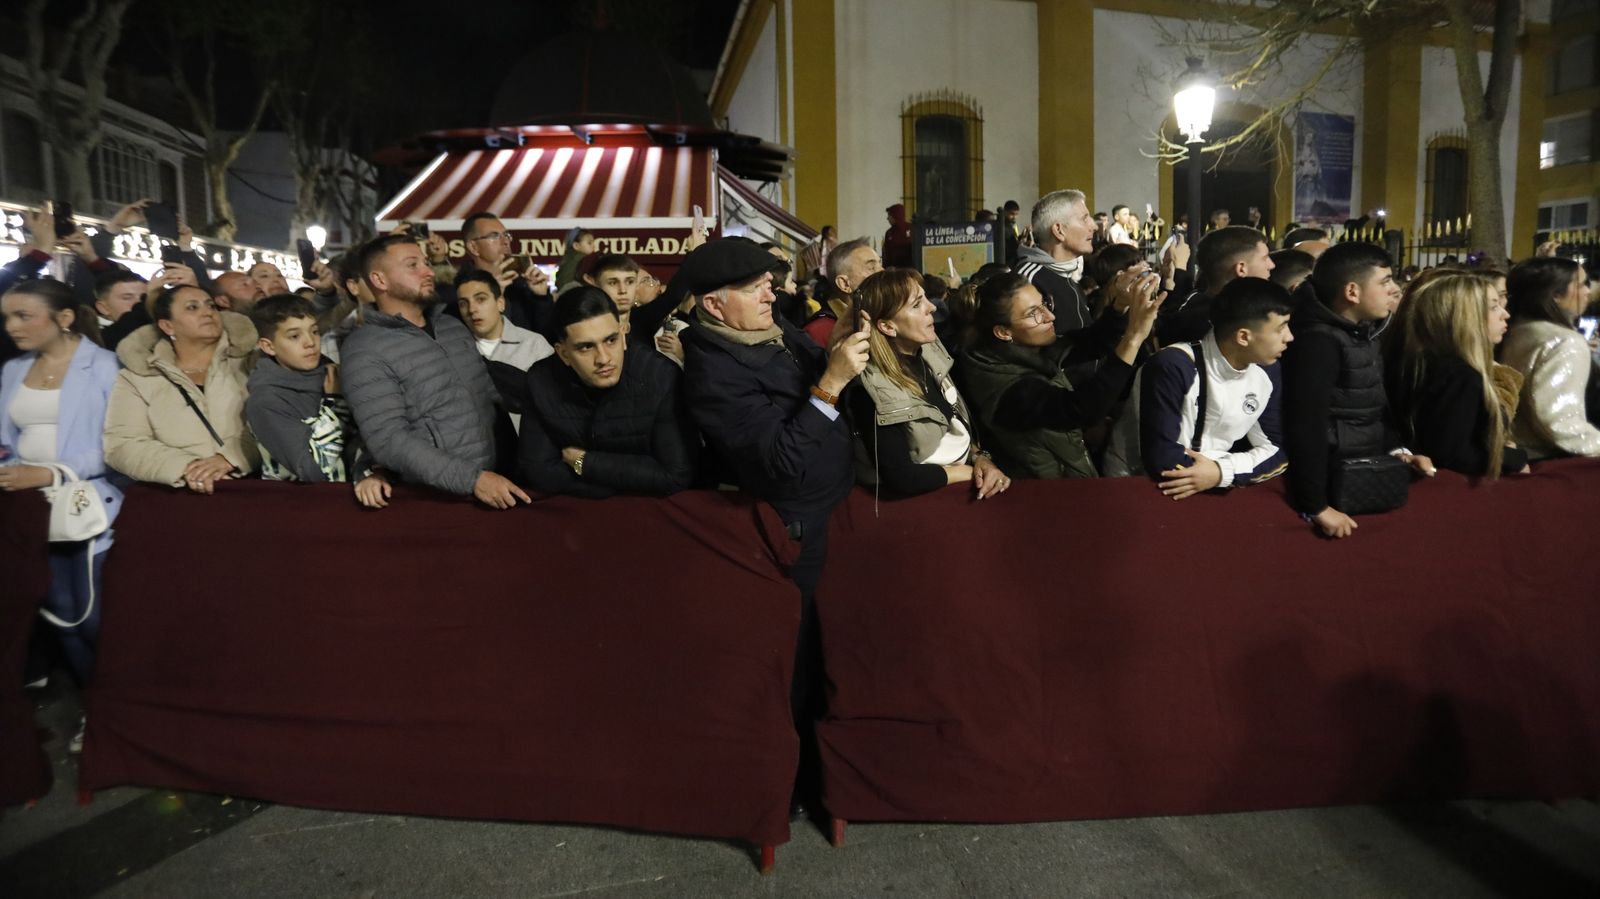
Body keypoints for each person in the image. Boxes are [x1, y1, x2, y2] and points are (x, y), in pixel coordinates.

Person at [677, 238, 871, 815]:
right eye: (757, 286)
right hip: (800, 525)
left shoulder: (768, 328)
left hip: (838, 502)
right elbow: (780, 462)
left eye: (771, 282)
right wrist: (832, 382)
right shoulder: (713, 373)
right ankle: (794, 787)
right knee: (802, 659)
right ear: (715, 305)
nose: (773, 292)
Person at [0, 279, 123, 698]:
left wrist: (53, 472)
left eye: (24, 316)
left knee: (93, 619)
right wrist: (11, 469)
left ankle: (116, 711)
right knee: (58, 615)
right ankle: (94, 709)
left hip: (91, 507)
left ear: (64, 318)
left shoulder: (104, 365)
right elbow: (6, 440)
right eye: (7, 318)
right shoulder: (13, 370)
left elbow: (117, 444)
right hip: (29, 508)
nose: (13, 327)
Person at [340, 235, 526, 508]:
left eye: (426, 263)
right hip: (441, 499)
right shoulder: (363, 349)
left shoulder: (451, 327)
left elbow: (491, 398)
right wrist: (472, 479)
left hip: (498, 482)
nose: (428, 271)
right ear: (380, 280)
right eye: (412, 265)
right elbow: (389, 439)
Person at [1280, 243, 1435, 539]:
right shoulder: (1319, 341)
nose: (1394, 289)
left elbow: (1369, 404)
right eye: (1385, 281)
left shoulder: (1359, 331)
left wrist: (1397, 451)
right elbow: (1307, 424)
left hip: (1362, 469)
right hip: (1338, 481)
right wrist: (1316, 505)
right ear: (1352, 292)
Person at [957, 270, 1164, 479]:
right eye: (1033, 313)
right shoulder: (1006, 388)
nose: (1050, 316)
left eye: (1044, 304)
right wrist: (1134, 338)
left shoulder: (1020, 350)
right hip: (1042, 496)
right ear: (1003, 332)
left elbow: (1089, 342)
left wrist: (1120, 304)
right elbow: (1084, 409)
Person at [1104, 277, 1292, 493]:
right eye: (1281, 329)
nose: (1290, 337)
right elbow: (1163, 461)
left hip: (1209, 483)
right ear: (1243, 337)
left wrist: (1221, 471)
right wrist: (1224, 471)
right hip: (1138, 483)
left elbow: (1277, 450)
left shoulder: (1266, 370)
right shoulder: (1173, 366)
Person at [517, 287, 697, 498]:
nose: (603, 358)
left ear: (623, 333)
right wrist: (617, 486)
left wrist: (584, 462)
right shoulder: (541, 380)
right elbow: (538, 470)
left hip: (648, 512)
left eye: (611, 340)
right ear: (563, 354)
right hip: (577, 511)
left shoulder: (660, 375)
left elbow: (675, 475)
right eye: (585, 347)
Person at [846, 269, 1009, 498]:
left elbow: (956, 422)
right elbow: (900, 477)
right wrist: (965, 472)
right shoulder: (871, 389)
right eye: (916, 304)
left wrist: (980, 458)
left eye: (924, 298)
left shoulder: (930, 354)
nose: (931, 307)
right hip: (921, 503)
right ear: (887, 326)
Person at [104, 286, 259, 491]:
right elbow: (123, 444)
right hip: (183, 496)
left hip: (256, 487)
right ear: (168, 326)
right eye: (192, 307)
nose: (207, 312)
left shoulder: (252, 360)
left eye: (210, 305)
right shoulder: (138, 376)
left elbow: (280, 416)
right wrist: (189, 468)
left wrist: (231, 457)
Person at [244, 294, 393, 507]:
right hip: (303, 512)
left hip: (359, 503)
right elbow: (313, 469)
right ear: (268, 346)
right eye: (294, 336)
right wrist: (334, 402)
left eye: (314, 331)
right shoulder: (266, 400)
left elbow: (371, 437)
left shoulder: (334, 373)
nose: (310, 343)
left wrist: (373, 472)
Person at [1384, 271, 1528, 477]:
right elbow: (1452, 454)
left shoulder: (1422, 363)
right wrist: (1513, 459)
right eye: (1494, 306)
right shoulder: (1460, 376)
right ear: (1466, 316)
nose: (1505, 314)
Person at [1498, 256, 1600, 458]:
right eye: (1580, 285)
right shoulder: (1565, 342)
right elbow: (1559, 421)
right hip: (1548, 458)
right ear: (1555, 294)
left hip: (1514, 451)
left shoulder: (1514, 330)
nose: (1588, 291)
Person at [1159, 226, 1276, 345]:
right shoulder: (1218, 324)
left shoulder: (1194, 305)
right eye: (1265, 258)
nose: (1271, 265)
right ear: (1241, 269)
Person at [455, 211, 555, 338]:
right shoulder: (460, 291)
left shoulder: (520, 282)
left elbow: (548, 335)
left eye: (506, 235)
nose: (505, 242)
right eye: (494, 236)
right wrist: (494, 294)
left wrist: (541, 298)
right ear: (473, 247)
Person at [1015, 189, 1097, 334]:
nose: (1094, 226)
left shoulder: (1068, 275)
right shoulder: (1027, 279)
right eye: (1084, 219)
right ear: (1059, 230)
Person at [803, 237, 882, 346]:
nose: (883, 271)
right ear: (844, 284)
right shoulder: (819, 332)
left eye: (880, 264)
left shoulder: (880, 318)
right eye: (871, 267)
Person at [582, 254, 642, 322]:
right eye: (613, 283)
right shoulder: (585, 329)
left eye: (630, 282)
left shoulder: (648, 328)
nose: (623, 290)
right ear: (594, 283)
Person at [554, 227, 597, 292]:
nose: (594, 246)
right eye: (589, 243)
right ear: (576, 245)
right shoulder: (583, 260)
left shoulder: (567, 260)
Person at [882, 203, 913, 268]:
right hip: (894, 272)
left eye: (889, 215)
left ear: (895, 216)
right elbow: (886, 254)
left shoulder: (912, 229)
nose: (887, 218)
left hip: (910, 270)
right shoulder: (889, 233)